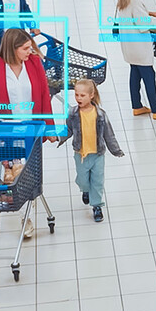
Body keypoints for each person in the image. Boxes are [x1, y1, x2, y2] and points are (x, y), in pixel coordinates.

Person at [0, 28, 56, 239]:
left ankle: (25, 216)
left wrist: (49, 128)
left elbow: (44, 95)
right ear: (12, 49)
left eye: (30, 47)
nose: (30, 51)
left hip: (31, 130)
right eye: (25, 48)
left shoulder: (34, 63)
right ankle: (24, 212)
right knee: (14, 172)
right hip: (7, 131)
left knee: (28, 172)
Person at [58, 79, 124, 222]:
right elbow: (68, 130)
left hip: (97, 155)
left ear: (91, 95)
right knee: (83, 180)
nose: (79, 98)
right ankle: (85, 190)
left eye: (82, 95)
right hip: (80, 155)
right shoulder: (73, 113)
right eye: (76, 95)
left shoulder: (100, 114)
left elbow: (109, 134)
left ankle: (97, 206)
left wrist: (116, 150)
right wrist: (57, 137)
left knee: (97, 181)